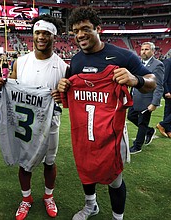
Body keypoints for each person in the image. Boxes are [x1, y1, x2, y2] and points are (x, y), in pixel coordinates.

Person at [58, 6, 156, 220]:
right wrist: (63, 88)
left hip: (112, 130)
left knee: (114, 177)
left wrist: (135, 79)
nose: (80, 35)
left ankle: (117, 217)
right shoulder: (75, 61)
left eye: (85, 29)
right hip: (84, 130)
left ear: (98, 29)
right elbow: (66, 89)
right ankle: (91, 205)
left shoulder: (123, 56)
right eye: (75, 31)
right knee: (86, 168)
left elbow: (152, 82)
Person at [0, 14, 68, 220]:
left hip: (50, 124)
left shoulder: (63, 67)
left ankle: (48, 196)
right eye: (37, 33)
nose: (41, 37)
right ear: (33, 36)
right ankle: (26, 199)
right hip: (24, 123)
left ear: (54, 37)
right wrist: (2, 85)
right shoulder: (21, 62)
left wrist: (61, 97)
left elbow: (68, 99)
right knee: (24, 162)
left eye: (46, 33)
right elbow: (12, 90)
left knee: (49, 163)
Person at [127, 42, 164, 154]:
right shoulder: (138, 63)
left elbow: (159, 85)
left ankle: (137, 146)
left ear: (153, 51)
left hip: (147, 99)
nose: (143, 51)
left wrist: (154, 103)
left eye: (146, 49)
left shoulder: (158, 65)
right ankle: (149, 130)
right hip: (135, 98)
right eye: (142, 49)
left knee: (142, 122)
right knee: (131, 116)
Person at [156, 57, 171, 137]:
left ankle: (168, 130)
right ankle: (162, 124)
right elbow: (164, 78)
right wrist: (166, 91)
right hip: (168, 91)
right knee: (168, 109)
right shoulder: (168, 62)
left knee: (168, 111)